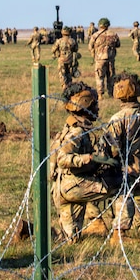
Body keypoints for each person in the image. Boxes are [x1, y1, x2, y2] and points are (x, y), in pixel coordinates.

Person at [51, 82, 118, 242]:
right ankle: (119, 233)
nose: (98, 108)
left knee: (70, 239)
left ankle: (28, 230)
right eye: (95, 104)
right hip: (74, 185)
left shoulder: (73, 127)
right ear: (85, 105)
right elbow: (62, 159)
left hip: (63, 187)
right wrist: (90, 159)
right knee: (121, 185)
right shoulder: (76, 132)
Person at [103, 72, 140, 243]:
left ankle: (119, 233)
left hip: (128, 169)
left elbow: (111, 148)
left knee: (123, 194)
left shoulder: (117, 119)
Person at [88, 18, 121, 97]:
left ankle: (100, 95)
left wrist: (94, 53)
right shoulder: (113, 34)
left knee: (100, 77)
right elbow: (118, 44)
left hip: (100, 60)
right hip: (110, 59)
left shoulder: (95, 35)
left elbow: (90, 46)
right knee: (111, 77)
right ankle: (111, 93)